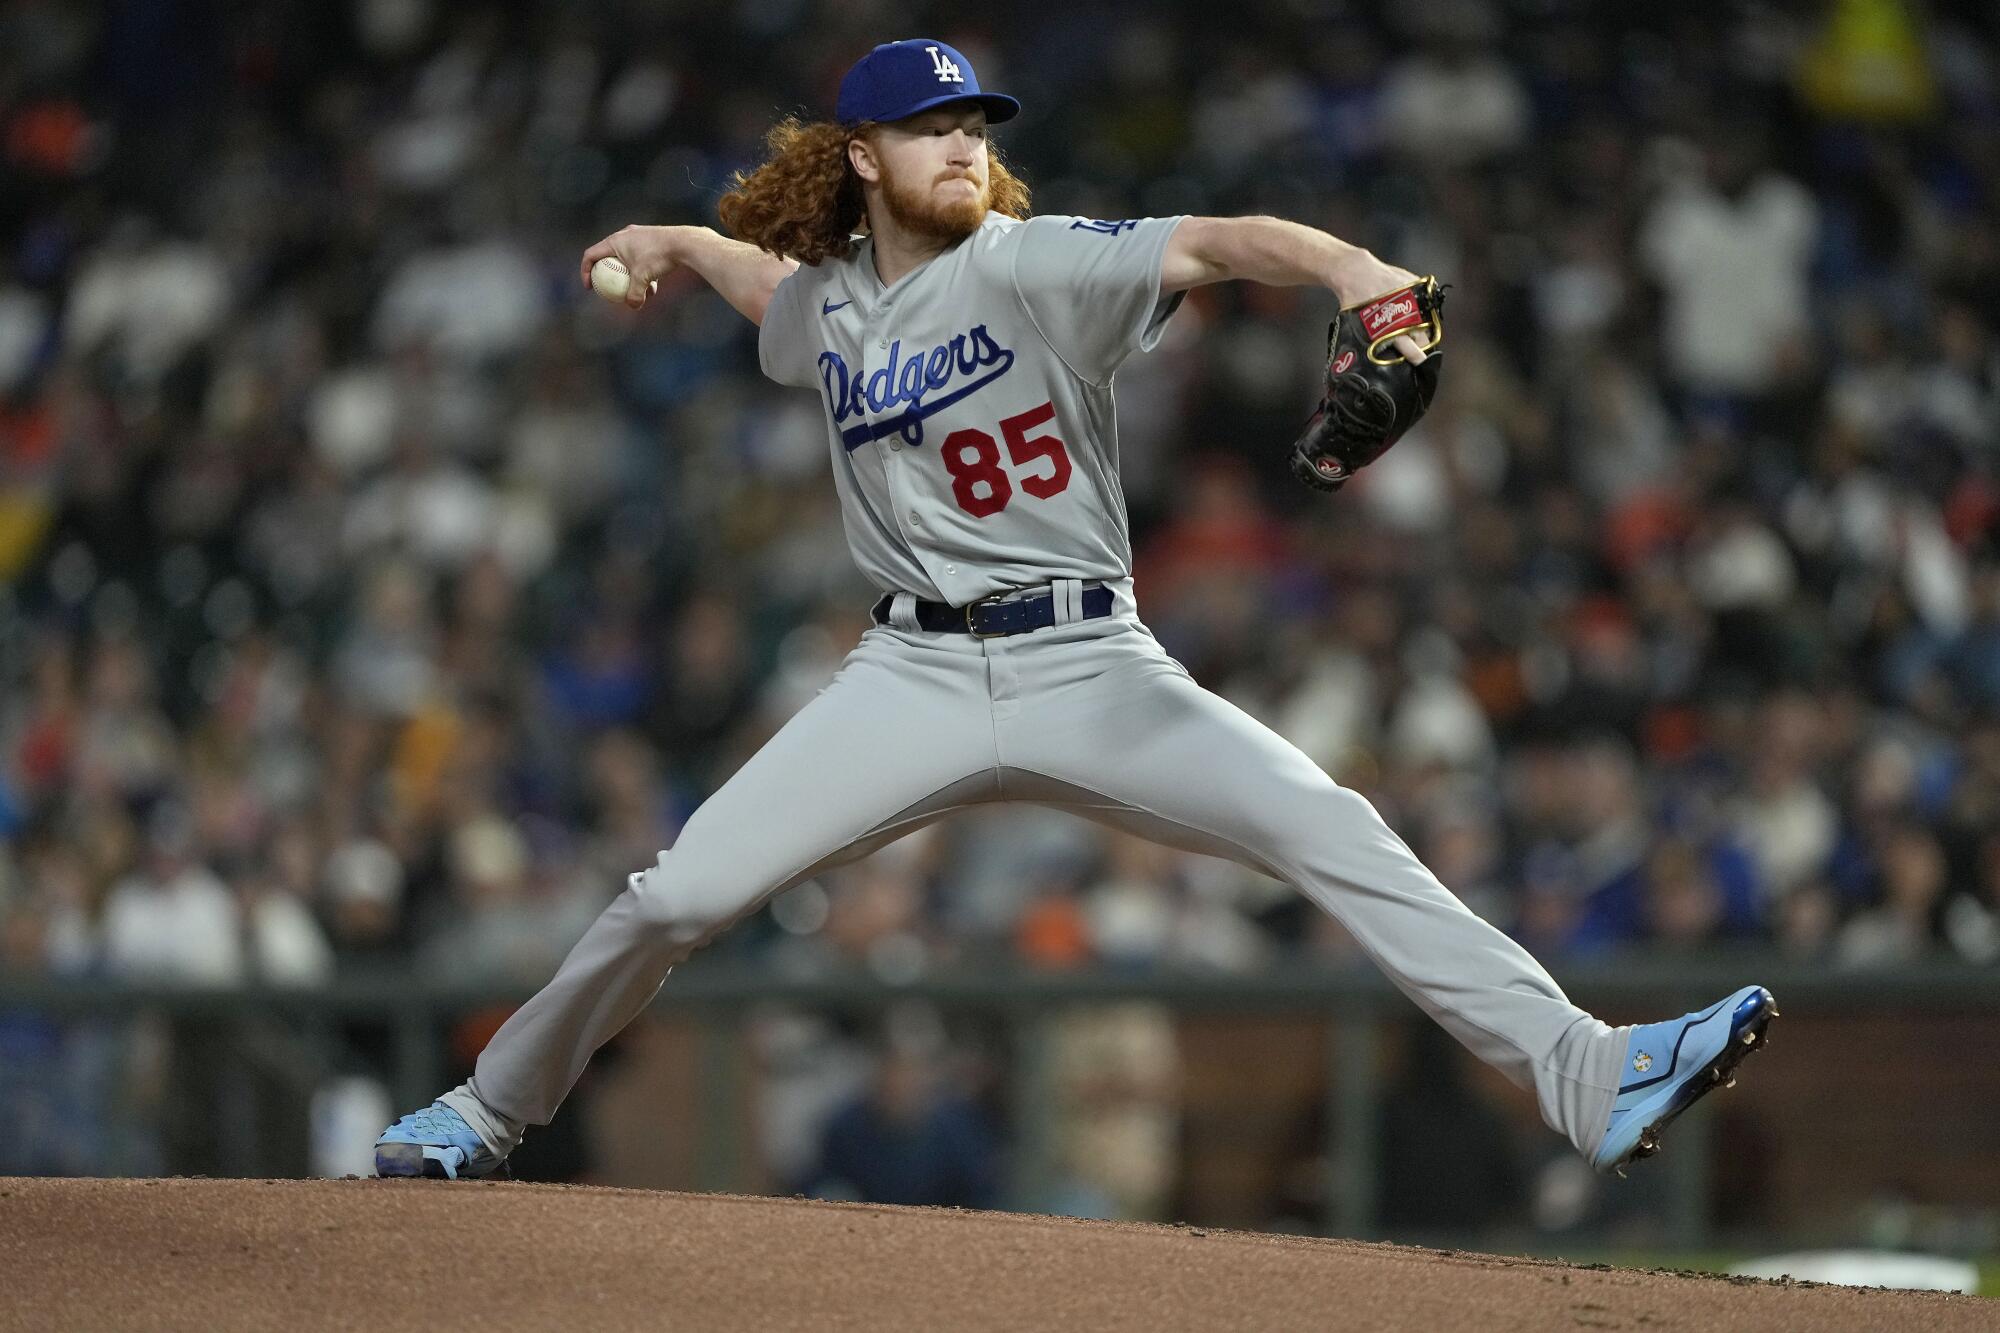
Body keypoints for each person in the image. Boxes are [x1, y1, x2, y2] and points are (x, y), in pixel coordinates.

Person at [375, 38, 1774, 1187]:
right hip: (907, 674)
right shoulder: (829, 310)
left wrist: (1358, 276)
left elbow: (1224, 240)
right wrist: (680, 239)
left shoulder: (1034, 262)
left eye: (974, 121)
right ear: (862, 157)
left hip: (1092, 659)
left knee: (1328, 821)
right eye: (928, 128)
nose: (963, 145)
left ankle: (1586, 1069)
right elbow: (772, 291)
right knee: (673, 893)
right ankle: (488, 1112)